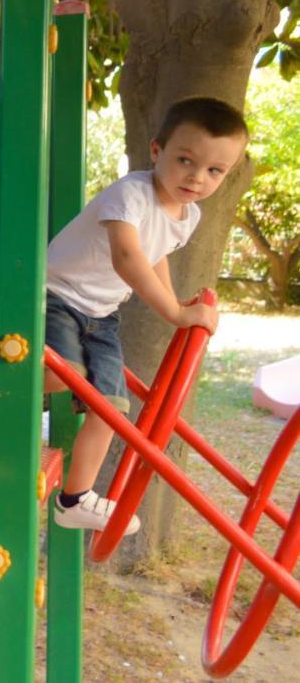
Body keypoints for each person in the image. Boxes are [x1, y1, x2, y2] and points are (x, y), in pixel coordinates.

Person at [45, 97, 249, 533]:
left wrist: (177, 302)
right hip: (56, 296)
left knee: (114, 409)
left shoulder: (188, 214)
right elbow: (127, 256)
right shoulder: (130, 194)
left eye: (215, 171)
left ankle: (74, 498)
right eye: (185, 160)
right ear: (156, 151)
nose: (197, 177)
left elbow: (157, 255)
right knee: (59, 373)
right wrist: (175, 312)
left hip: (101, 314)